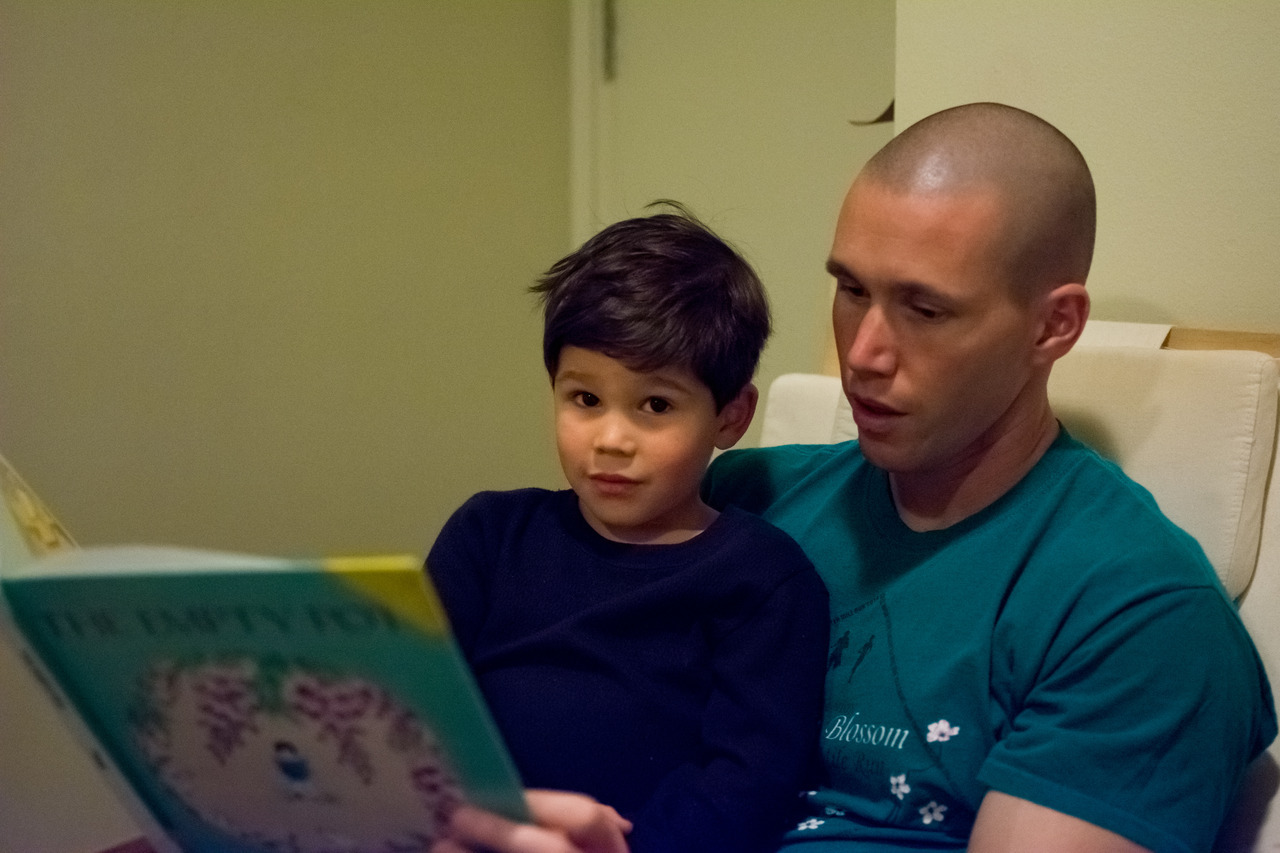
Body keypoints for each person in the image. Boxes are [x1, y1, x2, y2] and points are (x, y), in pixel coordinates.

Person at [437, 103, 1278, 853]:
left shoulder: (1139, 614)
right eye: (850, 290)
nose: (864, 353)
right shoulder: (744, 496)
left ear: (1053, 326)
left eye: (926, 309)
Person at [426, 204, 830, 852]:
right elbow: (413, 714)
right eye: (585, 399)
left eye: (655, 405)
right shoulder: (489, 536)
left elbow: (746, 784)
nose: (611, 440)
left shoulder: (762, 580)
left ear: (731, 417)